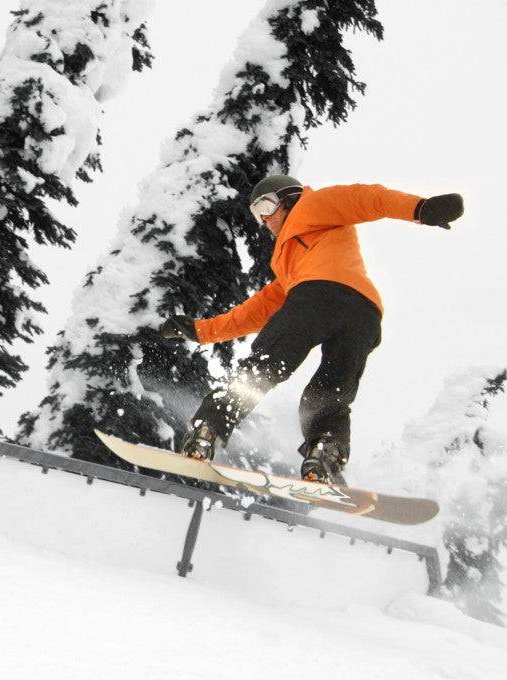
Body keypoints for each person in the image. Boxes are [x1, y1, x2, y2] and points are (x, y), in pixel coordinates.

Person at [159, 174, 463, 484]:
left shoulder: (313, 205)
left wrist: (420, 209)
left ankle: (206, 429)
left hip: (319, 297)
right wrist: (201, 331)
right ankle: (325, 452)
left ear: (290, 198)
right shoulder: (290, 266)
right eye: (255, 214)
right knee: (328, 394)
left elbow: (367, 198)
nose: (263, 219)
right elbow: (256, 310)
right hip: (364, 316)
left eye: (266, 205)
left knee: (265, 366)